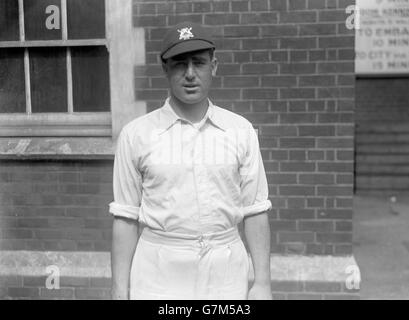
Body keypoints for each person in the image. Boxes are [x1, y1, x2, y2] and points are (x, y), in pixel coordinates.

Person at [109, 22, 272, 300]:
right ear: (165, 69)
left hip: (226, 270)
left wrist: (263, 282)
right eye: (179, 64)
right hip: (158, 272)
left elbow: (255, 210)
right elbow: (125, 217)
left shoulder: (240, 130)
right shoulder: (136, 134)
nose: (190, 74)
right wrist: (118, 289)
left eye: (199, 63)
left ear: (214, 66)